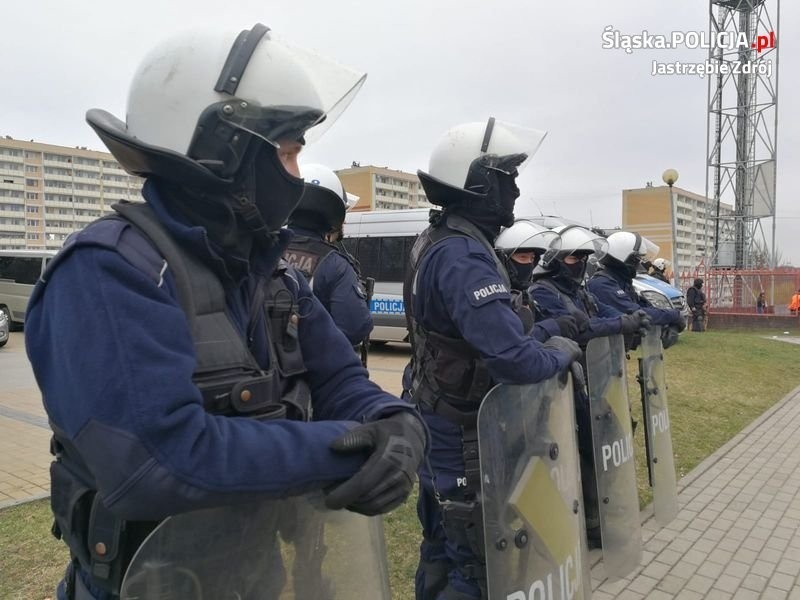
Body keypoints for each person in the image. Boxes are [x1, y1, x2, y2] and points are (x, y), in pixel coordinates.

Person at [25, 24, 426, 600]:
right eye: (286, 153)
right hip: (147, 585)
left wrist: (395, 422)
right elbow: (156, 461)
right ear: (222, 153)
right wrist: (347, 448)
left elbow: (340, 378)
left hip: (253, 575)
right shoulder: (109, 270)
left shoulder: (268, 271)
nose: (295, 175)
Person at [402, 118, 583, 600]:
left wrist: (542, 330)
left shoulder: (443, 237)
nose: (516, 186)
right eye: (507, 175)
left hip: (439, 422)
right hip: (462, 436)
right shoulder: (464, 255)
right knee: (478, 569)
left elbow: (488, 332)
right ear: (478, 180)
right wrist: (557, 356)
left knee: (441, 554)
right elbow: (512, 360)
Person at [527, 225, 650, 546]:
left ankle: (606, 509)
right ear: (555, 259)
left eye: (583, 257)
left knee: (612, 438)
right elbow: (584, 329)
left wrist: (636, 316)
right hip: (566, 386)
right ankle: (591, 523)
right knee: (583, 450)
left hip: (595, 379)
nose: (579, 263)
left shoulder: (580, 291)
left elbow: (605, 313)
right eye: (572, 257)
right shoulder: (543, 291)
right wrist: (623, 322)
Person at [284, 163, 373, 347]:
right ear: (333, 212)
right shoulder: (336, 266)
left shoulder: (265, 251)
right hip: (315, 371)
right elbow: (355, 327)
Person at [587, 231, 685, 349]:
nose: (639, 264)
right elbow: (635, 313)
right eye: (637, 259)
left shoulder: (622, 283)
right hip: (599, 356)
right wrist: (675, 315)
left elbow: (646, 307)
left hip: (614, 353)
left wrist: (667, 325)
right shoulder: (602, 285)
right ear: (626, 259)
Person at [493, 219, 581, 342]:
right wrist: (551, 327)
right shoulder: (495, 295)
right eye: (523, 257)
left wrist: (569, 319)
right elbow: (505, 340)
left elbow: (545, 316)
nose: (529, 263)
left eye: (532, 258)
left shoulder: (524, 295)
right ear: (504, 260)